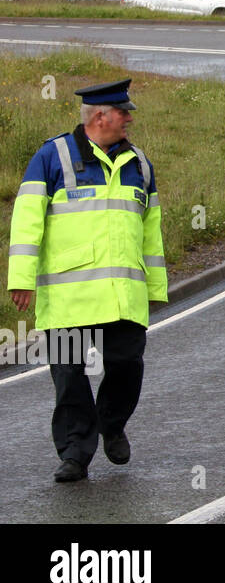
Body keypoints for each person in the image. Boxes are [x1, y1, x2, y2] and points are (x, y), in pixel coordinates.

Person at [7, 79, 167, 483]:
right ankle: (76, 453)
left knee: (127, 367)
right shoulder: (51, 157)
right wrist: (21, 280)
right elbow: (26, 222)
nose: (130, 118)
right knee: (68, 376)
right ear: (100, 116)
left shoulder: (139, 164)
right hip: (67, 299)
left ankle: (111, 424)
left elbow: (152, 231)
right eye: (123, 113)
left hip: (122, 298)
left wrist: (154, 288)